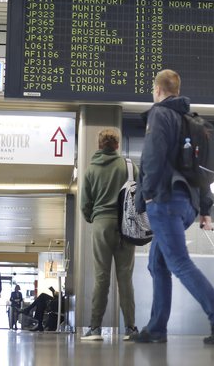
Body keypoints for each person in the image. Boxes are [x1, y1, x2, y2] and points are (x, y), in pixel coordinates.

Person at [132, 69, 214, 344]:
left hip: (166, 200)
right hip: (186, 204)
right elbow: (199, 171)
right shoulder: (189, 120)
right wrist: (205, 209)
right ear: (177, 90)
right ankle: (156, 328)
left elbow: (152, 158)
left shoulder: (160, 115)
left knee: (178, 262)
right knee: (157, 263)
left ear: (157, 90)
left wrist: (148, 195)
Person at [80, 128, 138, 341]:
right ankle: (131, 329)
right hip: (126, 227)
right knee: (125, 278)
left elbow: (84, 204)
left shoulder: (90, 171)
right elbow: (141, 195)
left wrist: (95, 219)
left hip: (101, 225)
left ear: (99, 145)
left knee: (101, 277)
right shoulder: (130, 167)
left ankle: (95, 329)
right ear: (117, 145)